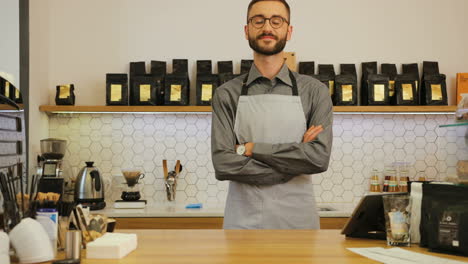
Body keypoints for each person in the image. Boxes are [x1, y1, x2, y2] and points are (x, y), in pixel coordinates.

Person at [211, 0, 333, 229]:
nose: (267, 27)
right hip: (243, 224)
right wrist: (294, 162)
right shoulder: (226, 94)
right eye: (258, 20)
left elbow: (318, 158)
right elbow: (223, 163)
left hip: (299, 224)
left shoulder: (315, 92)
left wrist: (250, 148)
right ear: (247, 30)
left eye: (276, 21)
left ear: (289, 30)